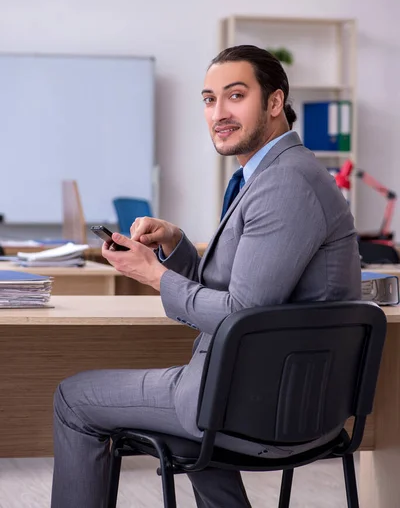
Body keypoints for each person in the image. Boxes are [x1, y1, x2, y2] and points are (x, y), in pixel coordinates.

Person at [51, 45, 361, 508]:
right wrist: (175, 245)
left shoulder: (285, 182)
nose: (218, 113)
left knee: (73, 398)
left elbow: (241, 312)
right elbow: (242, 294)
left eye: (235, 96)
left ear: (274, 103)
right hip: (274, 396)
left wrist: (155, 276)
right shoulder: (271, 174)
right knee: (198, 439)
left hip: (256, 405)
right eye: (209, 99)